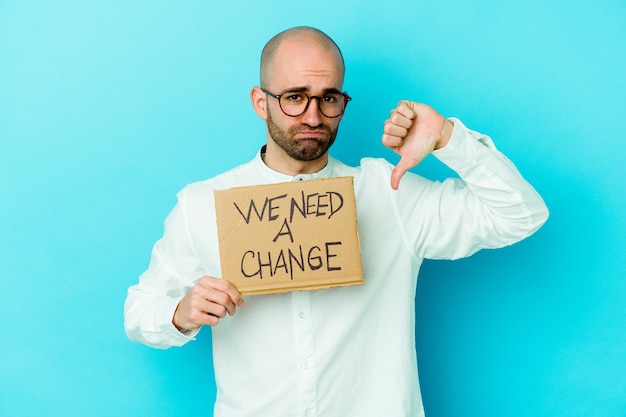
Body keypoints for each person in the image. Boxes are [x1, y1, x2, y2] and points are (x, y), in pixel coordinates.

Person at [124, 26, 548, 417]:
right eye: (294, 96)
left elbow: (521, 214)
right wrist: (181, 312)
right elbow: (139, 313)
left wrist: (449, 139)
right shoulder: (203, 204)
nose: (313, 117)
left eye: (328, 97)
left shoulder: (391, 193)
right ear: (260, 101)